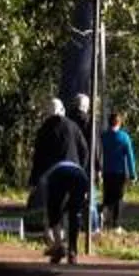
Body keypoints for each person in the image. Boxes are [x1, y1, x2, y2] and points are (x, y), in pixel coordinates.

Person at [28, 97, 91, 262]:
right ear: (62, 110)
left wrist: (34, 181)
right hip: (77, 174)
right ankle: (73, 250)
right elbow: (85, 150)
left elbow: (38, 158)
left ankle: (58, 244)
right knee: (74, 213)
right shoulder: (73, 125)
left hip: (57, 173)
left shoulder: (44, 129)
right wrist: (82, 169)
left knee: (54, 210)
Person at [100, 110, 138, 232]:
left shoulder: (103, 136)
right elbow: (130, 156)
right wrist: (133, 174)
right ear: (119, 123)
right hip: (120, 172)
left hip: (106, 170)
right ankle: (116, 224)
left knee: (107, 195)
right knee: (118, 198)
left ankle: (103, 218)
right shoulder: (124, 137)